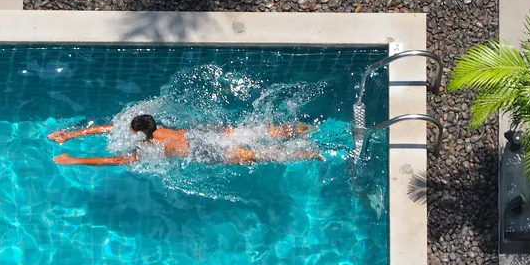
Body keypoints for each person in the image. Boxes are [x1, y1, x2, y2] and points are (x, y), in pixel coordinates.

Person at [49, 114, 324, 166]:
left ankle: (311, 153)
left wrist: (74, 158)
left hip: (204, 153)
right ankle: (304, 128)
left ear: (136, 132)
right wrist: (72, 134)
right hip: (202, 136)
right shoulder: (164, 129)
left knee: (259, 156)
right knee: (260, 131)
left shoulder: (149, 149)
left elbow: (113, 160)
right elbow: (109, 127)